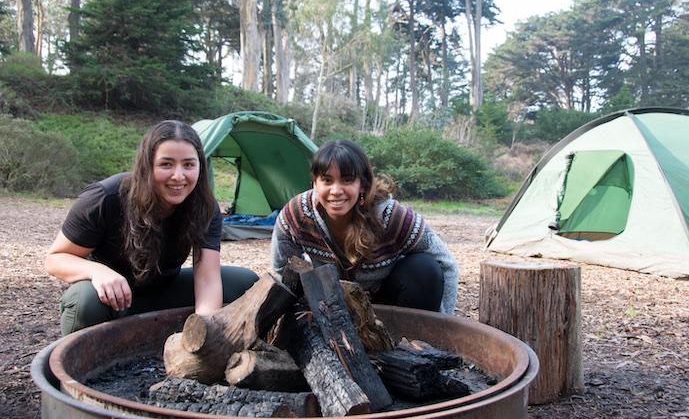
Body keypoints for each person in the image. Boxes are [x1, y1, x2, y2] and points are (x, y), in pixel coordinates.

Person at [46, 120, 259, 335]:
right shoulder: (105, 198)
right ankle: (76, 361)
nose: (178, 176)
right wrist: (97, 271)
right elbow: (55, 258)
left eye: (188, 165)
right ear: (147, 165)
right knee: (85, 300)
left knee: (245, 283)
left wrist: (204, 331)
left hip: (165, 291)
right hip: (112, 300)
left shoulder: (204, 207)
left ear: (200, 167)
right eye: (166, 164)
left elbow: (207, 279)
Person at [271, 139, 458, 314]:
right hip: (330, 307)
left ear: (362, 184)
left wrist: (445, 323)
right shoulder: (297, 215)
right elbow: (282, 272)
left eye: (347, 180)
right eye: (327, 180)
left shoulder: (392, 217)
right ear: (314, 183)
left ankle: (416, 340)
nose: (336, 191)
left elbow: (446, 263)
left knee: (424, 268)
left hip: (384, 306)